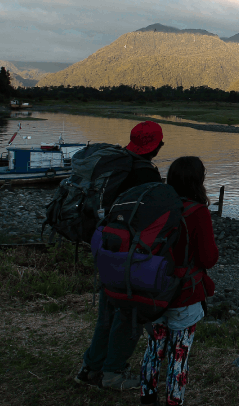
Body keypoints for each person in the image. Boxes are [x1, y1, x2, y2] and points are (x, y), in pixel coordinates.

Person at [75, 121, 165, 391]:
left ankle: (90, 368)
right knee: (128, 316)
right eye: (160, 143)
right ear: (155, 146)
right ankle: (112, 373)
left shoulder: (118, 164)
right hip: (130, 255)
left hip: (106, 247)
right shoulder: (145, 175)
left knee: (107, 312)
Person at [139, 156, 219, 406]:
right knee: (178, 355)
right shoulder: (199, 212)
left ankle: (147, 398)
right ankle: (174, 401)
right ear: (198, 181)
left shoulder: (157, 207)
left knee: (154, 349)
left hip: (152, 291)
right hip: (184, 296)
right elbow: (208, 259)